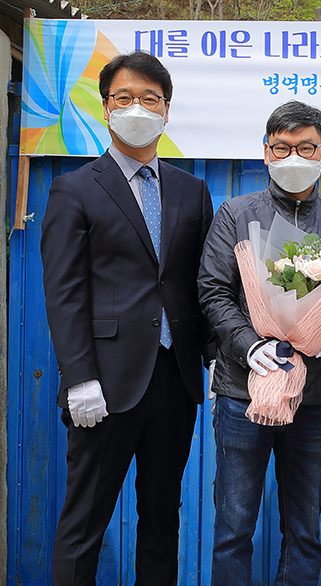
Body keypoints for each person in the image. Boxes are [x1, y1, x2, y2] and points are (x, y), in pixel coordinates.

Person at [41, 51, 214, 586]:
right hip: (104, 382)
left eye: (150, 99)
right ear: (105, 107)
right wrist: (79, 378)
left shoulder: (192, 189)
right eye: (125, 98)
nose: (138, 108)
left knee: (161, 518)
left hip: (175, 379)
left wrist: (210, 358)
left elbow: (201, 284)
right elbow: (64, 292)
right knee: (83, 523)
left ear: (167, 110)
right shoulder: (75, 188)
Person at [198, 100, 321, 586]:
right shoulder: (236, 214)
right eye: (283, 147)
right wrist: (250, 346)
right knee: (233, 524)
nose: (295, 157)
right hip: (241, 391)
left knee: (305, 527)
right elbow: (214, 290)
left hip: (312, 396)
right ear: (266, 153)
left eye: (306, 147)